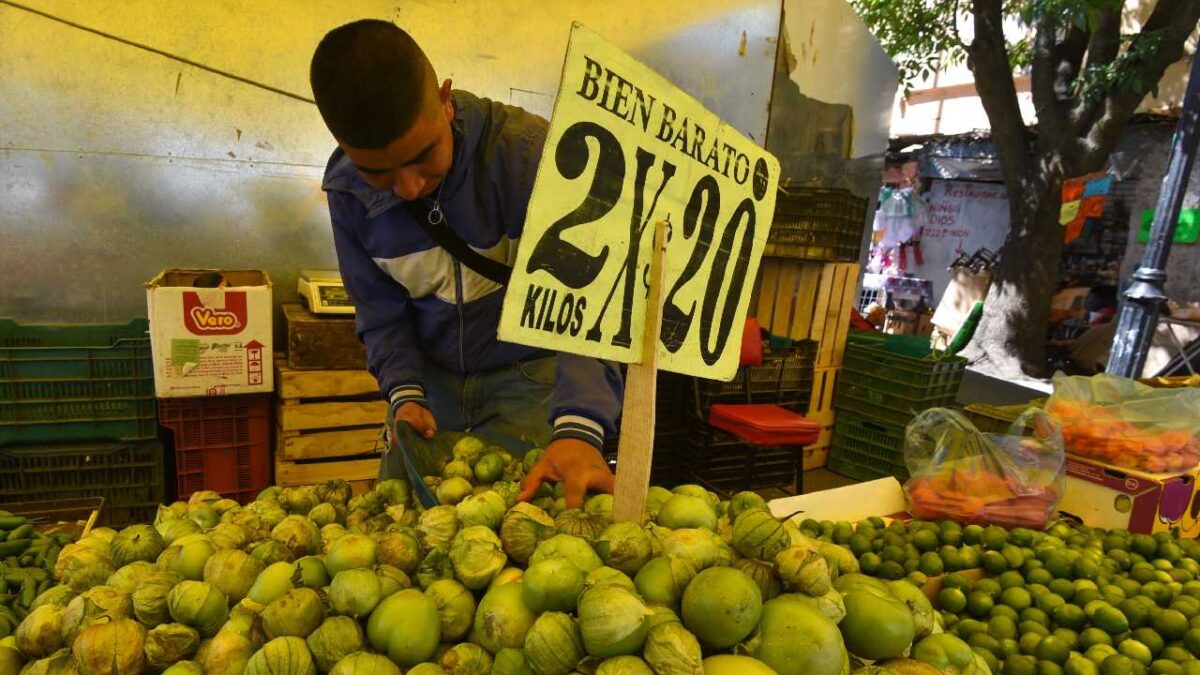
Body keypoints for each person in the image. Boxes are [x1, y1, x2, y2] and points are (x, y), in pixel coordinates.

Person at [309, 19, 623, 508]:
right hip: (429, 388)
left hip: (528, 377)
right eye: (380, 172)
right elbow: (379, 311)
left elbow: (587, 298)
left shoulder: (530, 158)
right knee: (402, 519)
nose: (409, 187)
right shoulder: (349, 194)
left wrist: (581, 425)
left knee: (534, 530)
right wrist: (404, 392)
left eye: (422, 156)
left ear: (445, 98)